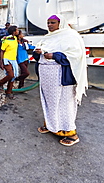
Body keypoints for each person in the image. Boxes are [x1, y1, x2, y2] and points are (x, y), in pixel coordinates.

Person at [33, 14, 87, 146]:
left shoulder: (71, 36)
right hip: (47, 78)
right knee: (49, 101)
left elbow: (76, 54)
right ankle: (51, 126)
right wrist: (38, 52)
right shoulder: (47, 37)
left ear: (60, 23)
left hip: (62, 77)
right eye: (48, 23)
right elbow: (36, 54)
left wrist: (55, 55)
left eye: (52, 22)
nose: (50, 25)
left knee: (64, 103)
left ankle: (70, 133)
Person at [0, 25, 19, 99]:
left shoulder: (15, 38)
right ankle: (0, 83)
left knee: (14, 76)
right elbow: (1, 51)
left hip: (14, 60)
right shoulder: (6, 41)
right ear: (13, 32)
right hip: (6, 59)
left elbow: (18, 38)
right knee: (11, 75)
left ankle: (9, 91)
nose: (18, 31)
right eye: (17, 30)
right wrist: (1, 62)